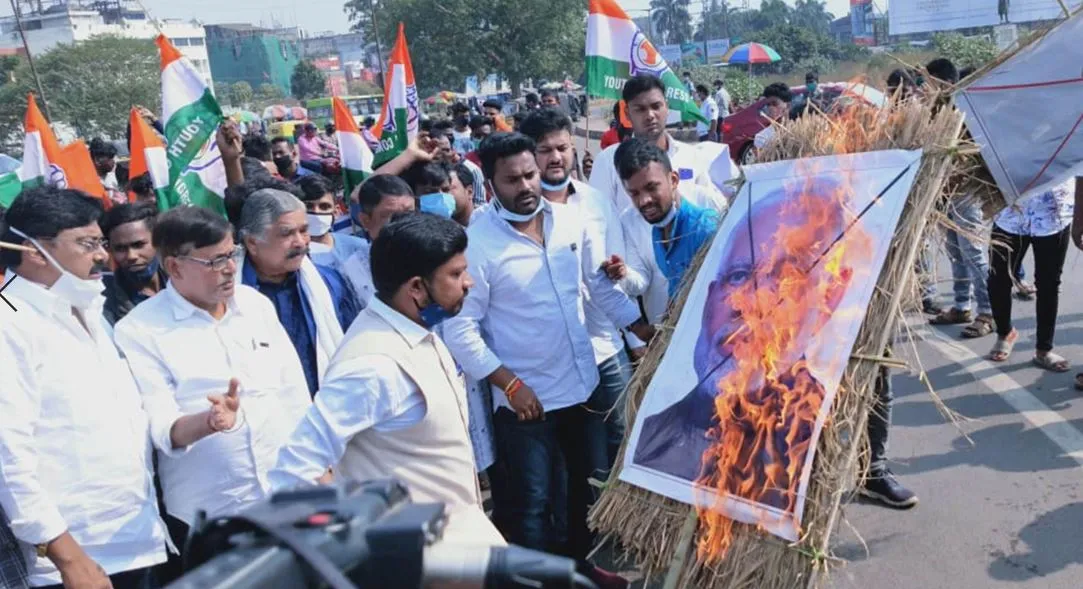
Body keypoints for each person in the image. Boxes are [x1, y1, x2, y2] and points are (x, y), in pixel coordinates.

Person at [442, 133, 654, 572]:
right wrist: (510, 385)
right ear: (491, 184)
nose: (525, 187)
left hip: (582, 387)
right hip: (527, 403)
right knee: (533, 504)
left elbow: (598, 288)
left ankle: (578, 572)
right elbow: (460, 330)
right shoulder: (477, 245)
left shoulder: (569, 221)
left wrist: (643, 329)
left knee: (585, 490)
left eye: (530, 175)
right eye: (512, 180)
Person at [270, 213, 505, 546]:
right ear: (416, 288)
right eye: (456, 274)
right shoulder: (372, 365)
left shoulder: (419, 331)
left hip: (462, 543)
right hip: (415, 560)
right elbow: (293, 470)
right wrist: (349, 547)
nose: (469, 283)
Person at [113, 206, 310, 575]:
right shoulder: (140, 331)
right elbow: (162, 429)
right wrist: (209, 422)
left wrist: (321, 470)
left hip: (287, 496)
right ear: (174, 267)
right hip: (212, 517)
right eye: (215, 260)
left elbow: (294, 395)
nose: (230, 268)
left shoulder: (255, 305)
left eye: (231, 254)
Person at [0, 187, 169, 588]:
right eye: (87, 244)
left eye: (100, 243)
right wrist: (68, 557)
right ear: (34, 250)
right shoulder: (9, 322)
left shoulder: (89, 308)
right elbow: (8, 454)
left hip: (134, 539)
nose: (102, 256)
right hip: (72, 560)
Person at [520, 107, 637, 486]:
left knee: (622, 437)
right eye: (544, 150)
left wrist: (635, 336)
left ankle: (618, 513)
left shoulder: (595, 202)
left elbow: (615, 277)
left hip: (605, 345)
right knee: (579, 457)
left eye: (562, 148)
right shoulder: (519, 217)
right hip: (554, 361)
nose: (556, 157)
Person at [237, 189, 360, 397]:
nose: (301, 242)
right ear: (252, 243)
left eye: (303, 230)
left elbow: (353, 347)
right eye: (286, 234)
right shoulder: (228, 295)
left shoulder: (329, 282)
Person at [611, 139, 719, 324]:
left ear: (673, 180)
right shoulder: (658, 231)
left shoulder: (705, 228)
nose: (644, 200)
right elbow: (675, 291)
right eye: (634, 193)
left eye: (651, 188)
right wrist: (664, 331)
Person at [590, 74, 731, 216]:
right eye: (640, 109)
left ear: (667, 107)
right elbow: (598, 220)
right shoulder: (608, 161)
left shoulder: (691, 156)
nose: (650, 115)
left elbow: (713, 210)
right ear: (627, 113)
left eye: (656, 106)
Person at [987, 178, 1076, 371]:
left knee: (1048, 284)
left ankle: (1044, 350)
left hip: (1054, 215)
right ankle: (1005, 332)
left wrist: (1079, 220)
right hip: (1011, 212)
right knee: (998, 278)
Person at [342, 175, 417, 307]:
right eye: (391, 216)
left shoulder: (435, 256)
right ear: (365, 220)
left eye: (408, 213)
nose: (403, 222)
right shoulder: (351, 273)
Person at [101, 201, 167, 325]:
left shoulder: (186, 283)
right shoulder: (104, 302)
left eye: (138, 245)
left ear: (158, 241)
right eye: (120, 248)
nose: (131, 256)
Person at [297, 174, 367, 276]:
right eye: (308, 206)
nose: (316, 212)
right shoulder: (290, 254)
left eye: (324, 206)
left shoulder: (359, 247)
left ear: (336, 212)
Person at [752, 82, 793, 151]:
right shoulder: (761, 138)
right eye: (768, 105)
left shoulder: (803, 132)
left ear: (788, 106)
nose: (771, 108)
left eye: (775, 104)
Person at [89, 137, 124, 205]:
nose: (114, 161)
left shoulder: (111, 177)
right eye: (111, 158)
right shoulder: (92, 185)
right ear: (97, 160)